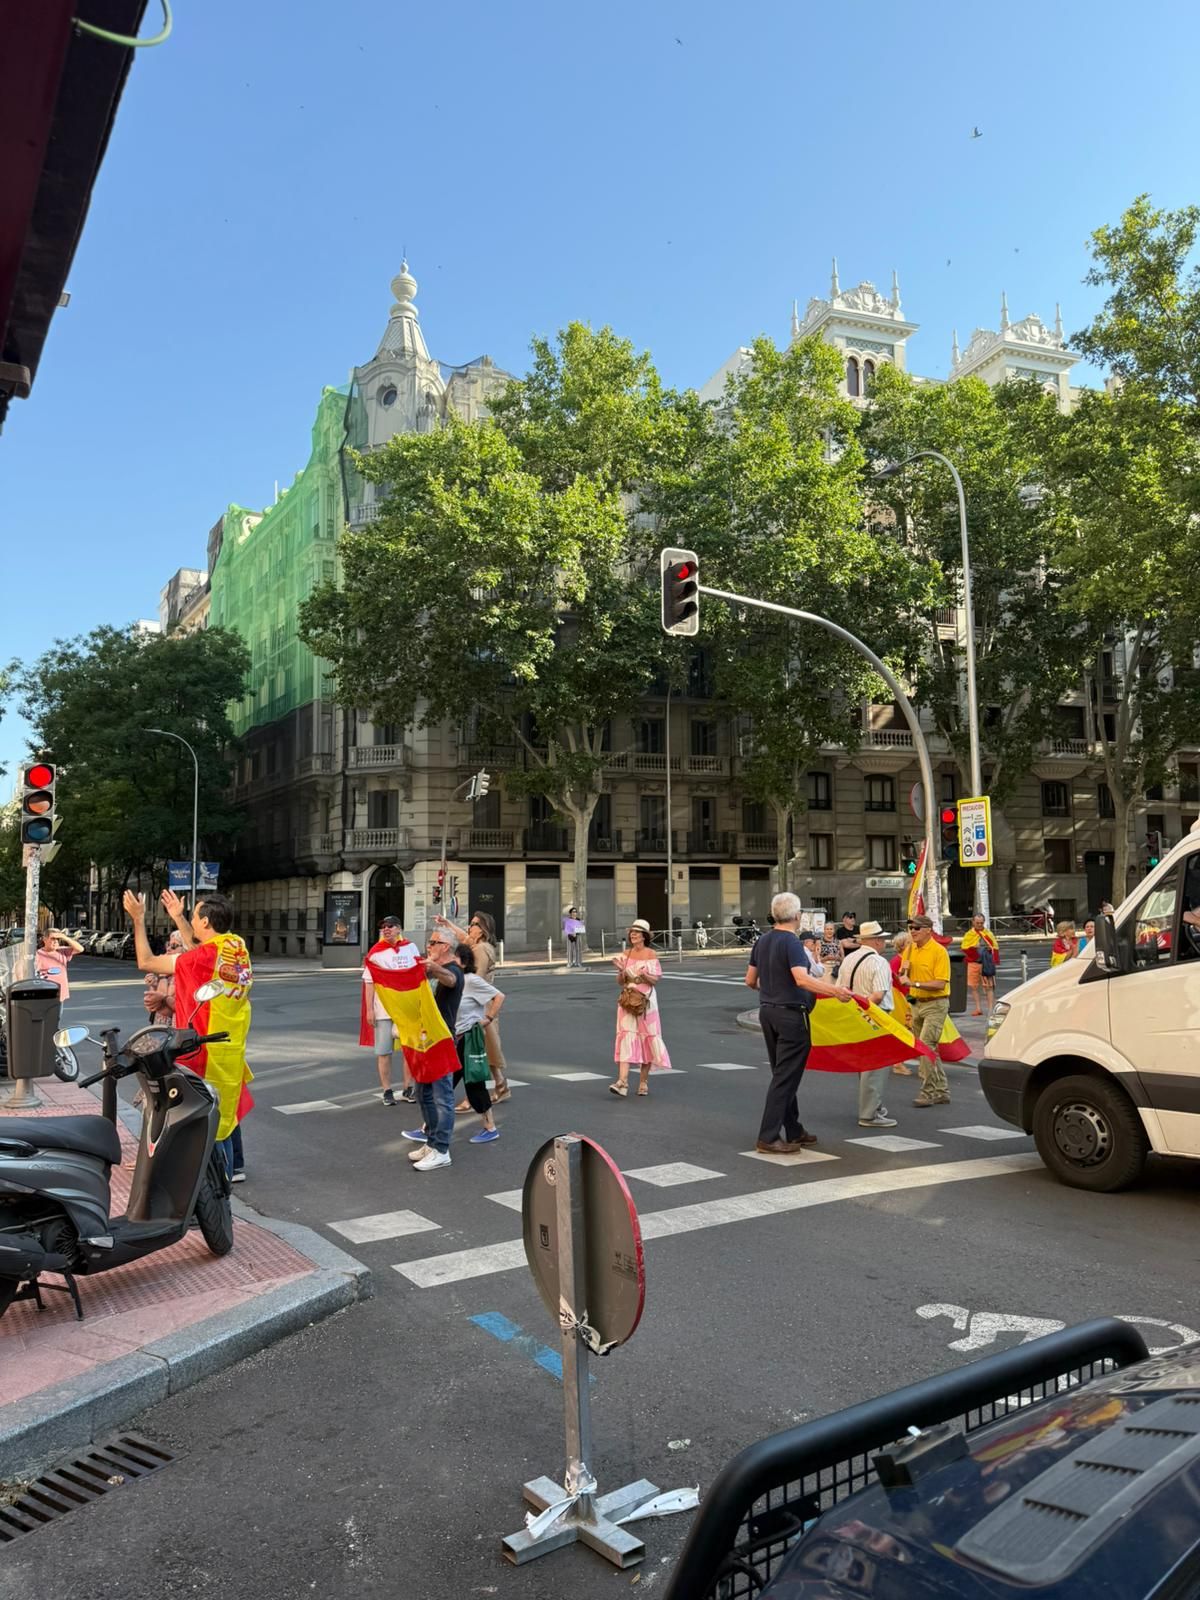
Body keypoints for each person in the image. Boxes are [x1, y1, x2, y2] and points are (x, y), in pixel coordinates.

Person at [124, 887, 253, 1180]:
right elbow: (200, 952)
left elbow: (146, 962)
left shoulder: (202, 957)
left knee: (211, 1132)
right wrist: (180, 917)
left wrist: (137, 919)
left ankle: (215, 1200)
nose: (192, 922)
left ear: (206, 922)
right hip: (231, 1049)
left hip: (204, 1051)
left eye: (194, 916)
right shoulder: (235, 947)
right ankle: (224, 1191)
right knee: (224, 1122)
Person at [744, 891, 854, 1152]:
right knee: (785, 1077)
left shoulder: (762, 941)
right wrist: (836, 991)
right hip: (790, 1015)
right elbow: (802, 979)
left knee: (783, 1073)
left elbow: (750, 980)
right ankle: (768, 1136)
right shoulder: (792, 943)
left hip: (767, 1012)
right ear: (797, 916)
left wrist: (771, 990)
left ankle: (793, 1130)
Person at [401, 929, 463, 1172]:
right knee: (424, 1092)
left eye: (433, 942)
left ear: (445, 946)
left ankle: (442, 1150)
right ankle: (432, 1142)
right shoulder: (434, 968)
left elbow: (451, 979)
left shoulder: (454, 971)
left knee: (442, 1097)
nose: (429, 945)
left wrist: (433, 968)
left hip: (442, 1040)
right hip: (426, 1038)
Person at [435, 909, 510, 1102]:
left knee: (475, 1052)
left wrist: (458, 983)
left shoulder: (482, 949)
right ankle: (500, 1086)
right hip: (479, 1004)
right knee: (484, 1050)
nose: (470, 927)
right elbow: (464, 937)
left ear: (483, 929)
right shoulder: (476, 945)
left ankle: (475, 1097)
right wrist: (446, 924)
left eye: (475, 924)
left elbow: (476, 978)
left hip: (480, 1006)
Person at [838, 920, 898, 1129]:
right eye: (881, 939)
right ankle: (870, 1113)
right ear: (875, 941)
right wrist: (867, 1012)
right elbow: (879, 995)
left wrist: (855, 1013)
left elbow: (840, 991)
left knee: (864, 1064)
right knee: (876, 1065)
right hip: (876, 1016)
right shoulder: (879, 962)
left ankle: (875, 1106)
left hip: (854, 1016)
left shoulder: (849, 959)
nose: (884, 942)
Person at [448, 943, 504, 1144]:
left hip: (469, 1038)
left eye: (453, 959)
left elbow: (499, 996)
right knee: (447, 1083)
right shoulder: (453, 981)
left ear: (463, 962)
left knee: (473, 1084)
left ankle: (490, 1127)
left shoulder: (471, 981)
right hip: (455, 1039)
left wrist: (488, 1018)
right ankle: (427, 1127)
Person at [608, 919, 671, 1096]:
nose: (633, 935)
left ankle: (643, 1081)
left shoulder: (651, 954)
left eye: (636, 932)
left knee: (648, 1038)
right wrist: (621, 971)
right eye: (631, 932)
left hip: (647, 1002)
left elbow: (655, 980)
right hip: (628, 1000)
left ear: (644, 936)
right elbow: (620, 982)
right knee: (627, 1036)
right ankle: (622, 1082)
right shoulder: (625, 954)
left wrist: (643, 975)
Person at [360, 916, 417, 1105]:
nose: (386, 929)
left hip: (406, 1007)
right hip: (383, 1009)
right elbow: (369, 982)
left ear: (399, 928)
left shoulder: (411, 948)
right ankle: (387, 1090)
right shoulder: (376, 952)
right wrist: (369, 1010)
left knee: (409, 1049)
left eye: (390, 926)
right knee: (384, 1051)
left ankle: (408, 1088)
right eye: (383, 927)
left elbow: (419, 975)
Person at [900, 914, 951, 1107]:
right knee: (928, 1049)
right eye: (911, 928)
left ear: (928, 930)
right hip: (917, 1003)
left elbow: (940, 983)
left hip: (936, 1004)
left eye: (917, 928)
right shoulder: (910, 949)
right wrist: (911, 999)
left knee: (926, 1046)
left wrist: (914, 983)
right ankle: (942, 1090)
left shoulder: (939, 952)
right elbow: (903, 974)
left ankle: (928, 1092)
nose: (913, 931)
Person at [959, 913, 1000, 1017]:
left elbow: (995, 947)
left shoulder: (988, 933)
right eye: (977, 923)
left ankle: (991, 1009)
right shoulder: (969, 934)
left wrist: (988, 948)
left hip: (986, 963)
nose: (979, 925)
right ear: (973, 922)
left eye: (981, 923)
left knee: (989, 987)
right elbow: (964, 947)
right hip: (973, 963)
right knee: (973, 987)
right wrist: (973, 947)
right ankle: (978, 1008)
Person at [34, 927, 83, 1002]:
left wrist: (65, 938)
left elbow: (80, 949)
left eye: (58, 939)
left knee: (56, 1013)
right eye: (53, 939)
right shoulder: (38, 954)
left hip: (60, 993)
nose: (56, 942)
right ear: (45, 939)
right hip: (44, 993)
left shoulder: (62, 951)